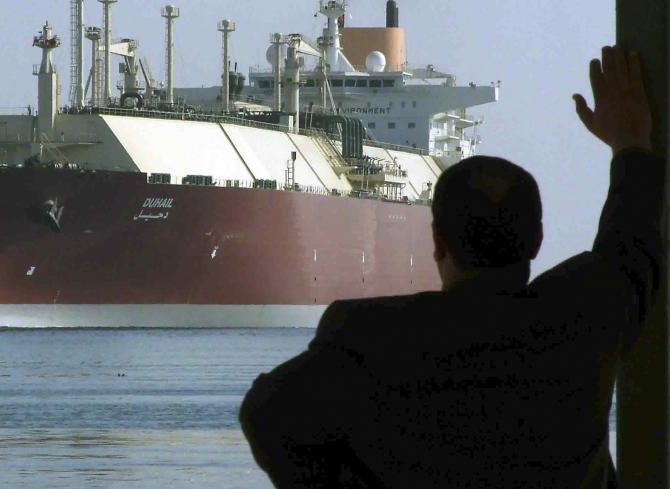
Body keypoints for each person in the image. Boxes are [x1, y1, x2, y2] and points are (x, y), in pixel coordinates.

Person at [240, 46, 662, 488]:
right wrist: (631, 144)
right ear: (537, 239)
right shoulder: (583, 314)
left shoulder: (369, 336)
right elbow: (632, 239)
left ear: (438, 240)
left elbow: (264, 415)